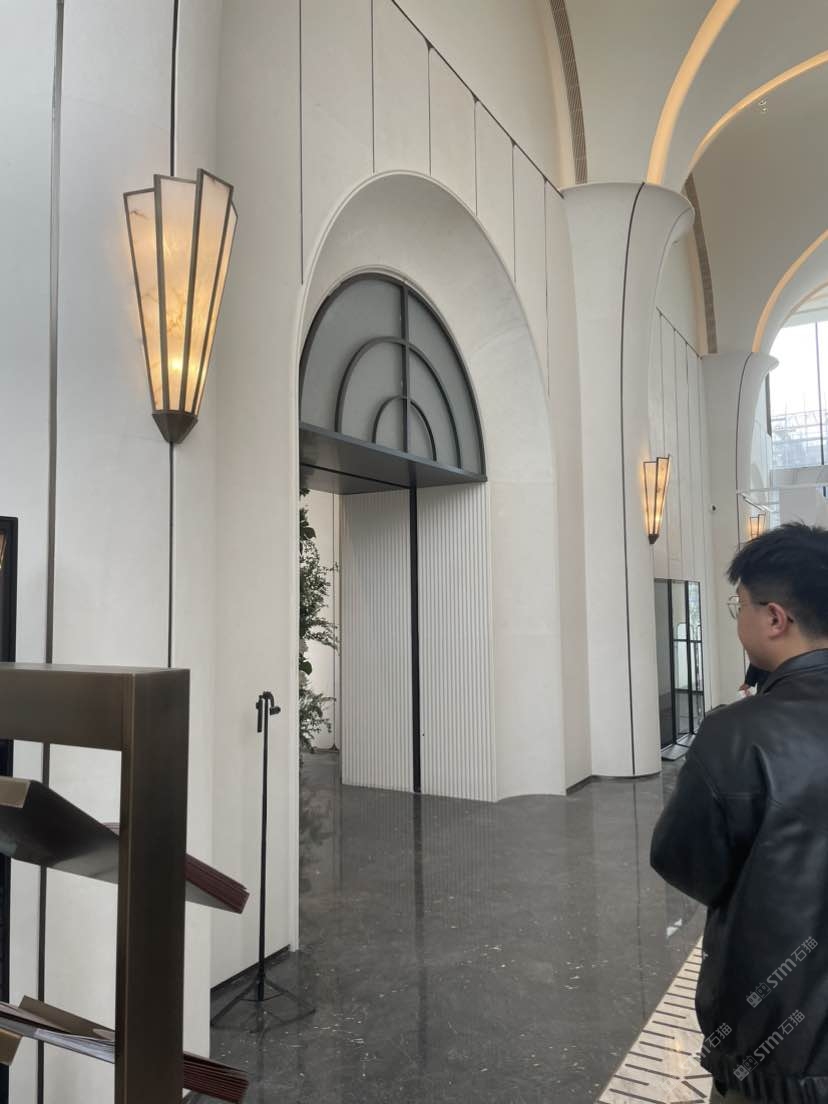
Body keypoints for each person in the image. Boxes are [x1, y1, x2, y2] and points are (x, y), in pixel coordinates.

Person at [651, 523, 828, 1104]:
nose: (738, 620)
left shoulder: (736, 733)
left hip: (779, 1060)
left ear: (775, 618)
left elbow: (685, 863)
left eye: (741, 606)